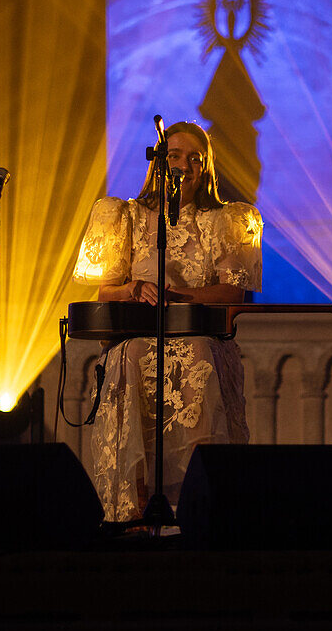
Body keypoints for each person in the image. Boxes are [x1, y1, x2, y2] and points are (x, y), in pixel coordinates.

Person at [72, 121, 263, 521]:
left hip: (198, 336)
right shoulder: (125, 216)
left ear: (206, 168)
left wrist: (178, 296)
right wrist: (135, 288)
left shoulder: (225, 221)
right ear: (158, 163)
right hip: (139, 335)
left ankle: (199, 505)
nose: (185, 165)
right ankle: (137, 504)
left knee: (196, 352)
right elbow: (106, 292)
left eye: (196, 158)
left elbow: (232, 294)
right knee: (134, 353)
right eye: (174, 156)